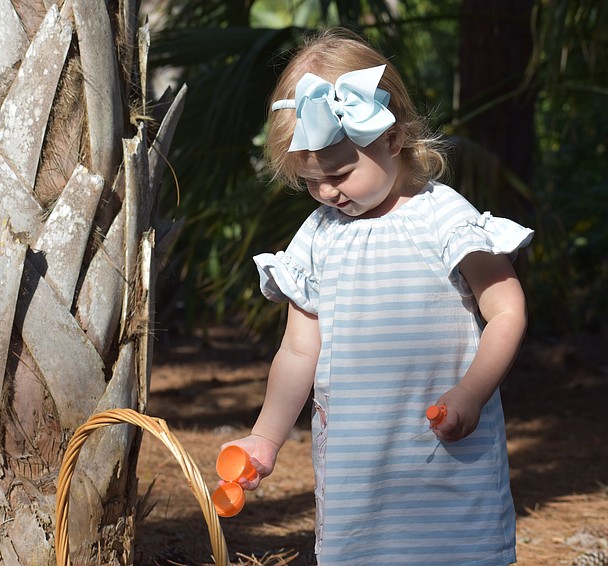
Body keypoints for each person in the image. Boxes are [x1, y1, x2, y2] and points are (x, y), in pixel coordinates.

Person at [221, 27, 533, 565]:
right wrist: (265, 439)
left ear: (392, 139)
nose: (326, 193)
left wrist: (471, 393)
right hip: (356, 473)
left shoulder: (442, 217)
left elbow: (506, 309)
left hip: (447, 456)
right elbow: (298, 350)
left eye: (340, 174)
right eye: (310, 181)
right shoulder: (317, 236)